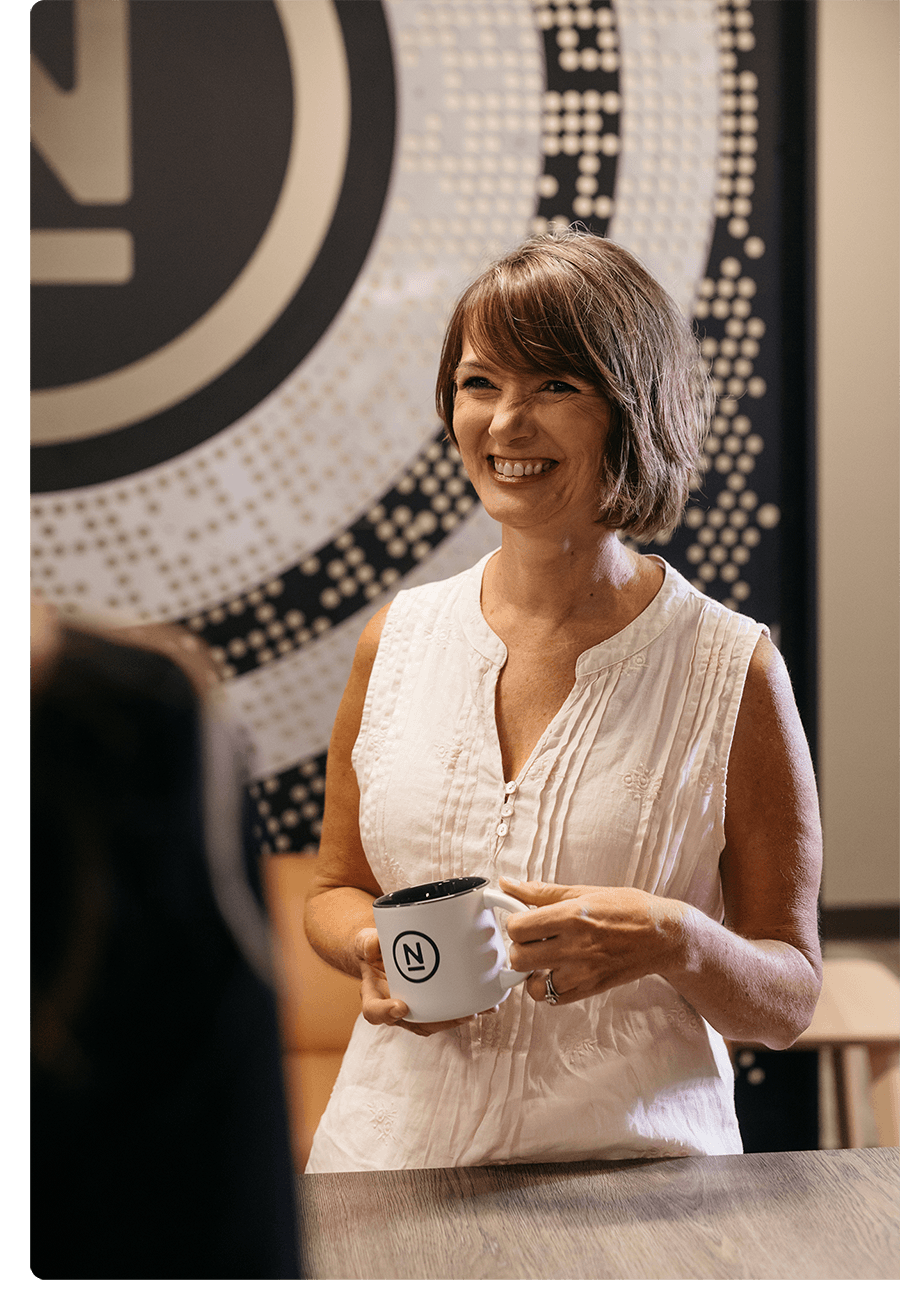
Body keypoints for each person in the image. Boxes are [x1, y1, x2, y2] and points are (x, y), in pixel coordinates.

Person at [303, 230, 822, 1171]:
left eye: (555, 386)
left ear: (633, 410)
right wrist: (373, 954)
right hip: (385, 1180)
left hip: (639, 1195)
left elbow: (787, 1001)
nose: (505, 424)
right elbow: (337, 889)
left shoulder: (730, 666)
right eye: (478, 384)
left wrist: (676, 938)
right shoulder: (399, 638)